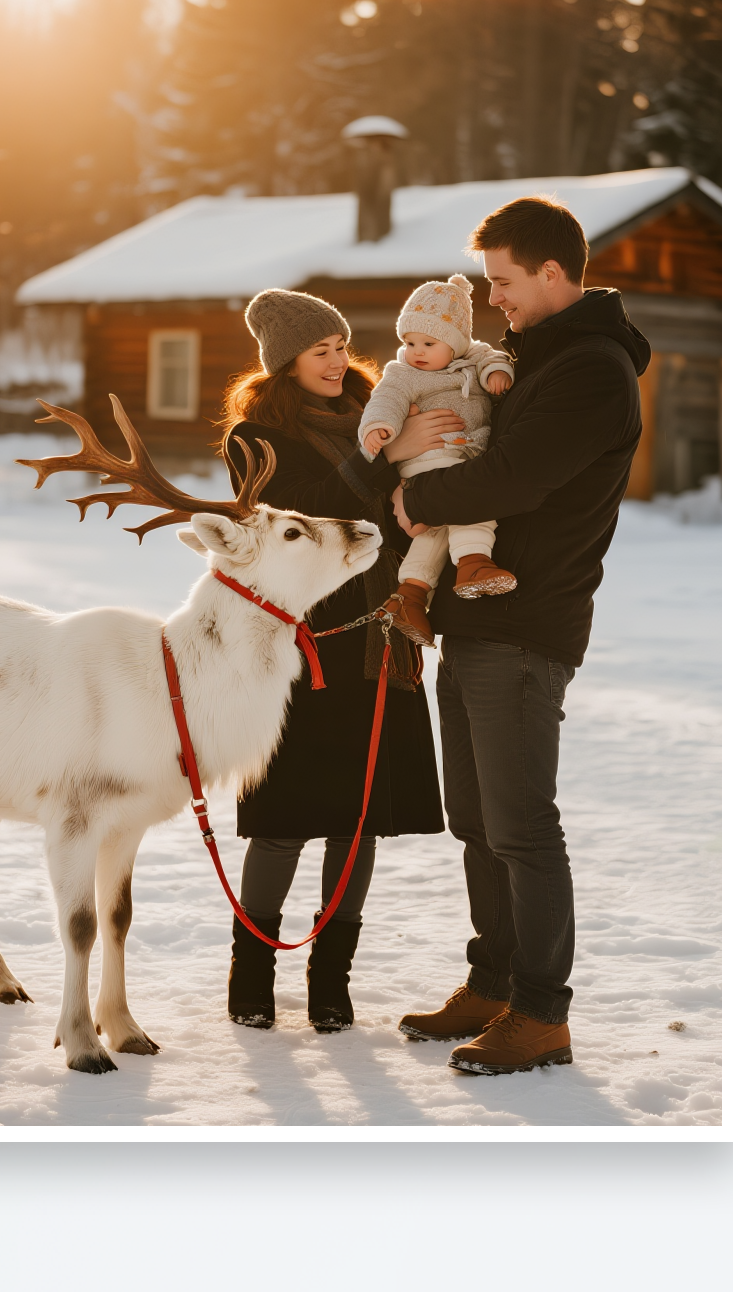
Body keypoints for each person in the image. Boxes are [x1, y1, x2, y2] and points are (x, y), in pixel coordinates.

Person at [392, 195, 651, 1077]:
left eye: (502, 282)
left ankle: (541, 1014)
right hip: (472, 618)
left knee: (521, 825)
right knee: (474, 821)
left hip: (527, 623)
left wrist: (417, 496)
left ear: (551, 272)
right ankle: (493, 982)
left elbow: (513, 477)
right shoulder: (528, 357)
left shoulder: (591, 369)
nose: (493, 298)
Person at [219, 287, 446, 1034]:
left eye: (341, 346)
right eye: (319, 350)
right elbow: (308, 514)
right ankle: (252, 971)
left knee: (359, 819)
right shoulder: (256, 439)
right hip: (300, 649)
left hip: (378, 641)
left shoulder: (382, 413)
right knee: (284, 817)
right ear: (285, 362)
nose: (336, 360)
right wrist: (386, 456)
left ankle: (330, 979)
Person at [357, 272, 517, 648]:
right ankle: (473, 562)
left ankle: (410, 594)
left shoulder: (474, 356)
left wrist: (497, 372)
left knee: (436, 530)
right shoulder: (404, 373)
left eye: (429, 343)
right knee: (468, 500)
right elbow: (386, 398)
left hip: (463, 454)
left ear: (456, 343)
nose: (417, 351)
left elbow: (494, 357)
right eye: (410, 342)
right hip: (428, 456)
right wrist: (378, 426)